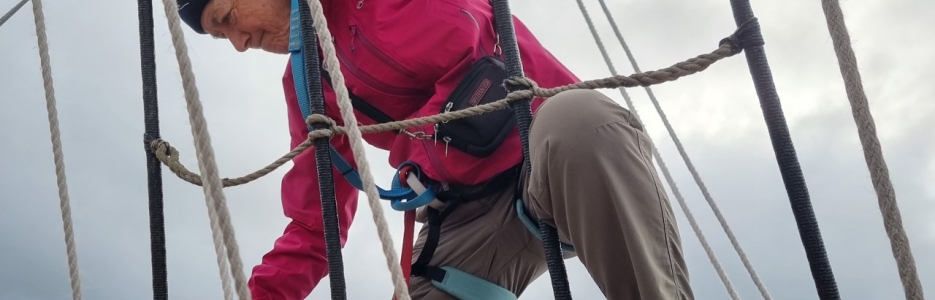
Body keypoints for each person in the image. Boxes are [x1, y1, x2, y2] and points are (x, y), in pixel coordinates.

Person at [177, 0, 694, 299]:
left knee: (582, 116)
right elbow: (317, 225)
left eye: (226, 16)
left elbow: (466, 45)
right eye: (222, 39)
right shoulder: (308, 85)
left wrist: (421, 159)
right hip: (465, 214)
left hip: (552, 148)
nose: (239, 41)